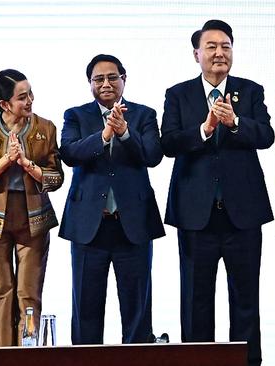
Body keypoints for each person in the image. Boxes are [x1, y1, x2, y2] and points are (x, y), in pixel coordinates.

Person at [161, 20, 273, 366]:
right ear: (197, 54)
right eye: (211, 47)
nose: (219, 53)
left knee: (245, 301)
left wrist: (235, 122)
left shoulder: (250, 91)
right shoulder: (178, 94)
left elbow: (266, 136)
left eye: (225, 46)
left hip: (243, 214)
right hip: (196, 214)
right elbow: (169, 142)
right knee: (196, 301)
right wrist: (206, 128)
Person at [59, 54, 165, 344]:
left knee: (137, 311)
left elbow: (153, 155)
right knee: (86, 309)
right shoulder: (75, 115)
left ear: (124, 80)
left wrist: (126, 133)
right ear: (90, 84)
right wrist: (105, 135)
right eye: (99, 79)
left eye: (112, 77)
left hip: (133, 225)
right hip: (89, 227)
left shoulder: (144, 114)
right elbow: (69, 153)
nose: (106, 84)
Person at [0, 69, 63, 346]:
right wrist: (5, 161)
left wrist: (26, 165)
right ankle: (3, 355)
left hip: (33, 218)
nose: (30, 100)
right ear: (4, 104)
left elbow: (56, 178)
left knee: (29, 294)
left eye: (30, 93)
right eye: (22, 97)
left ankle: (28, 355)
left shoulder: (45, 128)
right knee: (1, 293)